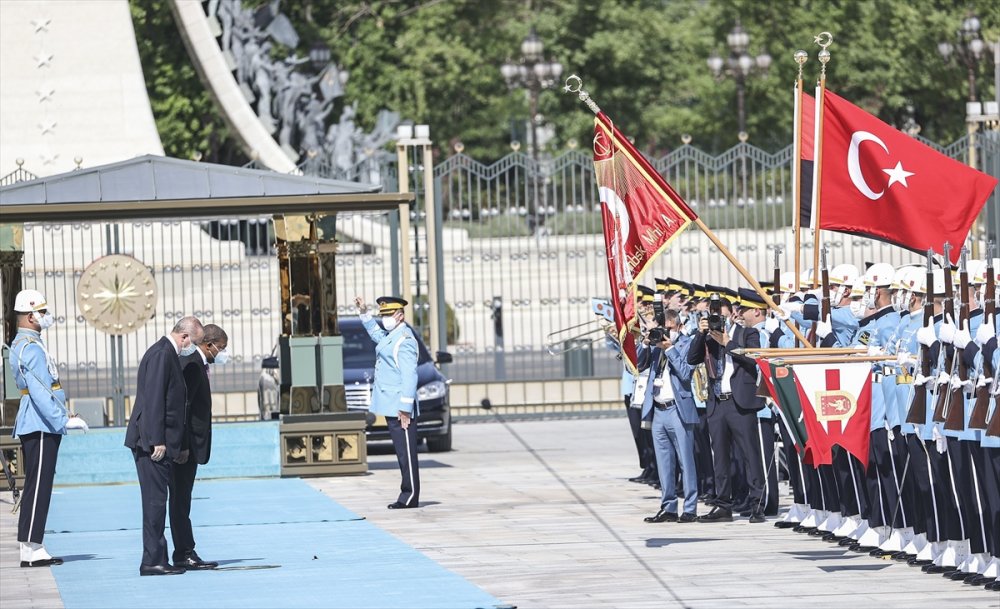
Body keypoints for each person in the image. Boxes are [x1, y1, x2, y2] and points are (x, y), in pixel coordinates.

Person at [125, 316, 204, 576]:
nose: (192, 349)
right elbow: (155, 399)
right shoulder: (162, 354)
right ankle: (152, 560)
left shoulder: (166, 352)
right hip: (152, 444)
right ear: (185, 337)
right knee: (155, 502)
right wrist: (156, 440)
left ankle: (157, 557)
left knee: (158, 501)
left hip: (159, 442)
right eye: (195, 342)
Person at [8, 289, 67, 567]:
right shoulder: (30, 348)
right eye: (42, 312)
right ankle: (32, 547)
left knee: (37, 483)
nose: (46, 316)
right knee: (40, 485)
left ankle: (31, 546)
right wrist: (62, 418)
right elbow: (42, 390)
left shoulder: (25, 344)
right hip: (41, 422)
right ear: (30, 316)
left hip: (37, 419)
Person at [169, 324, 229, 571]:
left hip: (192, 443)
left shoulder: (199, 363)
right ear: (209, 345)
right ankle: (184, 552)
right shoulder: (193, 363)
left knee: (183, 500)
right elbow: (184, 406)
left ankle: (184, 550)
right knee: (180, 500)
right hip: (187, 445)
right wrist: (182, 445)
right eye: (221, 348)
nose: (222, 353)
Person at [355, 295, 420, 509]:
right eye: (382, 314)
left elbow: (410, 376)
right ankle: (406, 493)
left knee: (407, 454)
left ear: (400, 315)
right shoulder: (392, 336)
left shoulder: (405, 340)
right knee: (402, 452)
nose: (384, 319)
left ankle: (409, 496)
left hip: (401, 408)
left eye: (388, 315)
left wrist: (405, 408)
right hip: (392, 406)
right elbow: (375, 334)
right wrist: (364, 312)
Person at [640, 310, 698, 523]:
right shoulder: (655, 346)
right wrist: (646, 343)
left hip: (677, 409)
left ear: (678, 326)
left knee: (686, 461)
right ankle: (669, 507)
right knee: (664, 462)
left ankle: (690, 508)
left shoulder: (687, 344)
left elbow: (685, 373)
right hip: (658, 409)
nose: (664, 333)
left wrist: (670, 349)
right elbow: (638, 365)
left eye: (669, 329)